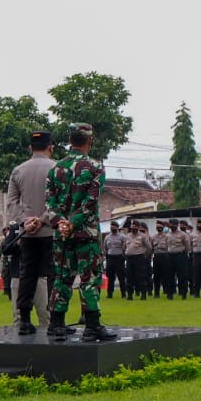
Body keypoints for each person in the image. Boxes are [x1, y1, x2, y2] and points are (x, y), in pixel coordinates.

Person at [45, 123, 115, 341]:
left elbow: (49, 202)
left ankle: (56, 324)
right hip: (86, 233)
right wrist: (74, 223)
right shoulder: (95, 167)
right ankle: (92, 325)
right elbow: (90, 202)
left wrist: (60, 223)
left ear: (71, 140)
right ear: (89, 141)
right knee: (90, 278)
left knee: (62, 278)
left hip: (62, 235)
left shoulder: (55, 168)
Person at [6, 130, 57, 334]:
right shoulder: (56, 168)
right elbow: (61, 201)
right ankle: (55, 320)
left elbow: (11, 202)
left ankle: (25, 320)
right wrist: (43, 219)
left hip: (27, 233)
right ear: (50, 147)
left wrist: (24, 221)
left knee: (27, 275)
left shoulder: (18, 171)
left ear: (30, 148)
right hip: (50, 231)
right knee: (53, 275)